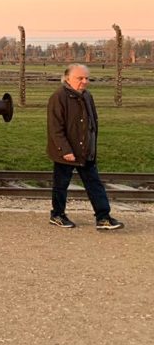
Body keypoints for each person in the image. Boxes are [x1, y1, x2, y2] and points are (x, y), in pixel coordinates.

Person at [46, 63, 124, 230]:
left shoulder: (87, 96)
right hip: (66, 152)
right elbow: (55, 128)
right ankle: (57, 215)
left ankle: (103, 217)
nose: (84, 81)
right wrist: (65, 150)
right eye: (80, 78)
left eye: (86, 78)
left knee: (94, 184)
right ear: (67, 79)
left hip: (85, 151)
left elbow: (92, 123)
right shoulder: (58, 97)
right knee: (61, 185)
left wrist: (92, 147)